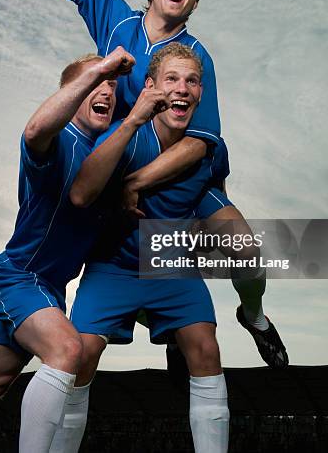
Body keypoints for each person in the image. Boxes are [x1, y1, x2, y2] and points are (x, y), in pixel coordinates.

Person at [57, 0, 288, 368]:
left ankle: (253, 315)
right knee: (98, 257)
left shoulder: (196, 58)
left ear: (193, 1)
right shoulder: (118, 25)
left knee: (248, 255)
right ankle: (158, 322)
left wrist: (136, 182)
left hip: (180, 183)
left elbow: (199, 143)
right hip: (122, 178)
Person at [0, 47, 135, 453]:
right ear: (72, 92)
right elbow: (33, 132)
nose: (106, 91)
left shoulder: (106, 156)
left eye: (112, 87)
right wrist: (102, 66)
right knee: (68, 349)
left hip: (49, 290)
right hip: (17, 276)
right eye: (95, 83)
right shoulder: (60, 139)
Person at [49, 43, 230, 453]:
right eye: (171, 80)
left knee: (205, 348)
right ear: (151, 87)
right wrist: (131, 124)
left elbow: (215, 193)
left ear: (202, 93)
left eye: (192, 81)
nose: (182, 89)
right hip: (113, 265)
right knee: (81, 356)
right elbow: (81, 192)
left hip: (172, 267)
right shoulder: (126, 135)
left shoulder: (208, 148)